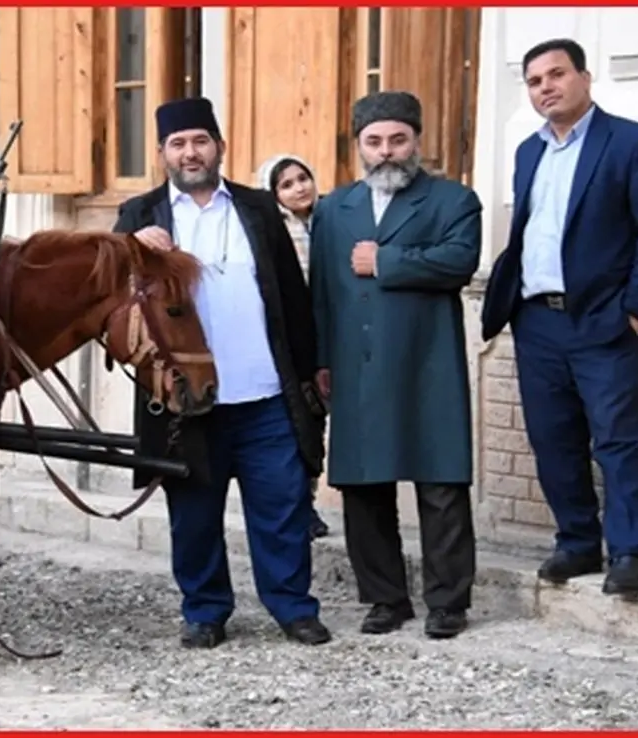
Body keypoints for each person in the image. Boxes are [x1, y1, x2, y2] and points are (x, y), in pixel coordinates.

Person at [114, 97, 332, 649]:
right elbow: (110, 298)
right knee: (194, 515)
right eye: (178, 144)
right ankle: (205, 611)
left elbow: (291, 294)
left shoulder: (258, 208)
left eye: (200, 141)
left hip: (265, 394)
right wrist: (131, 252)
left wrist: (312, 369)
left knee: (282, 507)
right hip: (188, 404)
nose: (191, 153)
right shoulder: (140, 217)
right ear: (162, 153)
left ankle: (293, 608)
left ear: (220, 147)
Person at [481, 39, 638, 598]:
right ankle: (577, 541)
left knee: (618, 439)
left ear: (585, 78)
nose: (546, 86)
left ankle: (631, 552)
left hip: (603, 319)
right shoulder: (527, 151)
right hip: (538, 321)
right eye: (534, 80)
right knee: (553, 438)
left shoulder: (634, 143)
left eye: (556, 74)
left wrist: (637, 309)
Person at [310, 90, 482, 640]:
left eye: (397, 139)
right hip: (355, 366)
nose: (387, 152)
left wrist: (386, 260)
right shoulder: (334, 208)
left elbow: (460, 260)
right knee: (364, 487)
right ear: (359, 145)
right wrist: (320, 359)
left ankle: (448, 603)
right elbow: (322, 293)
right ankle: (386, 599)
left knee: (441, 484)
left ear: (416, 141)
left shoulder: (453, 200)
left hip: (428, 362)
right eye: (375, 141)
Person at [255, 153, 330, 540]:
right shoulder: (272, 232)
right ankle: (301, 507)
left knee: (319, 423)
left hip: (332, 334)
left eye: (303, 178)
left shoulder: (328, 220)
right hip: (294, 343)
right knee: (300, 424)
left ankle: (309, 500)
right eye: (286, 184)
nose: (299, 188)